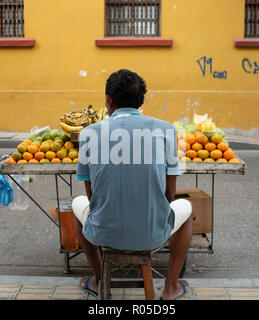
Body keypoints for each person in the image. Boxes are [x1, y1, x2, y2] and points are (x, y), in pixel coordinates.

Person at [72, 69, 193, 300]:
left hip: (102, 232)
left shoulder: (88, 133)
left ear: (109, 99)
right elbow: (169, 194)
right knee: (186, 210)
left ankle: (98, 280)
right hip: (152, 235)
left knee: (75, 204)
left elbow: (91, 195)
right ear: (141, 100)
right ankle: (170, 289)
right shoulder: (166, 129)